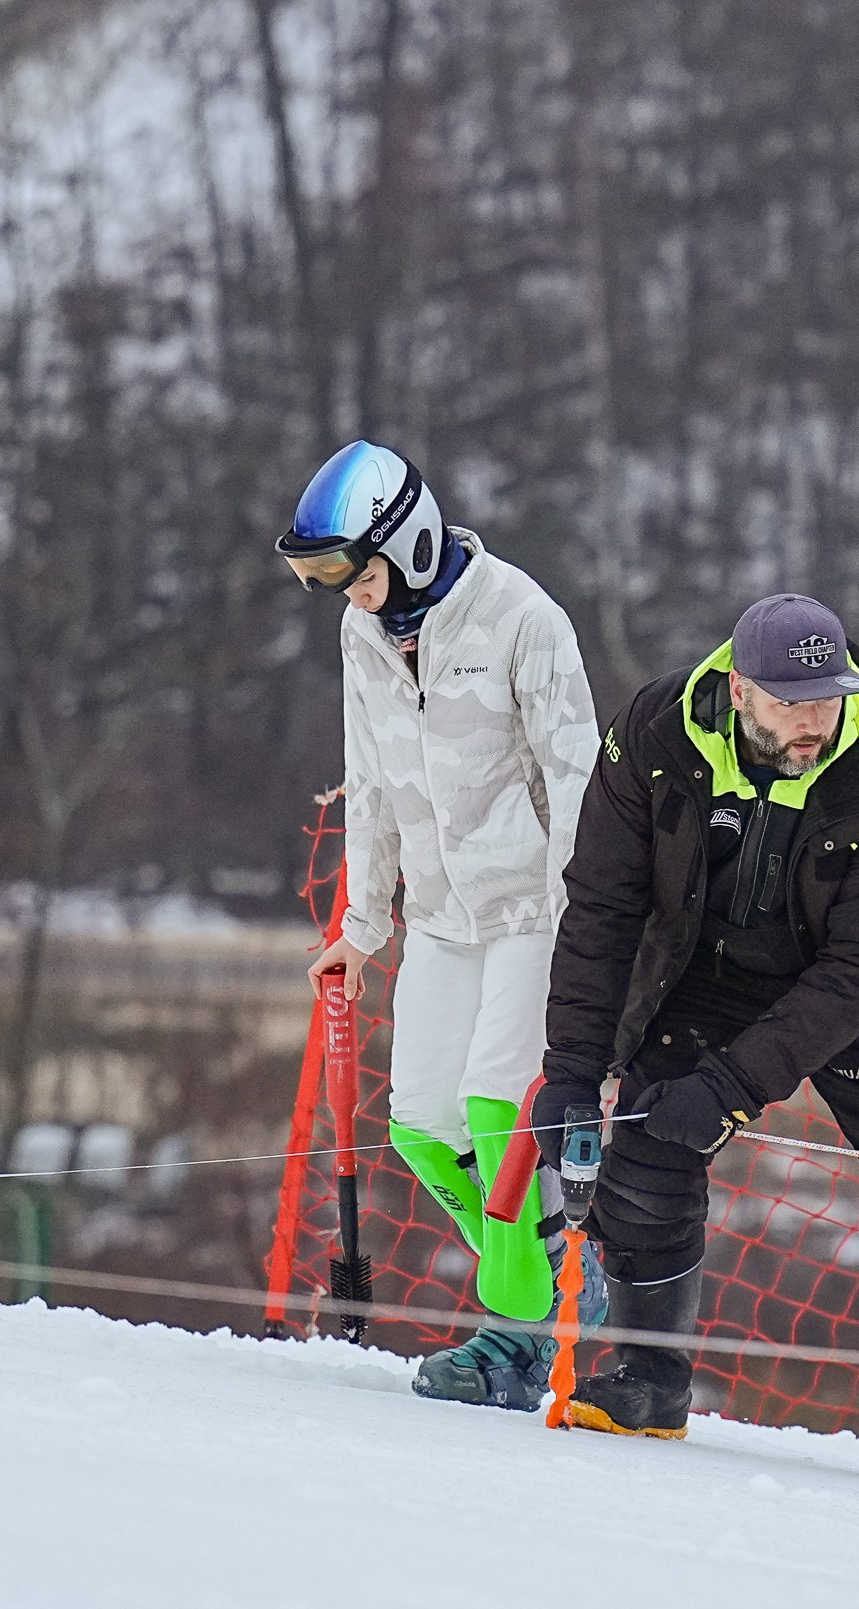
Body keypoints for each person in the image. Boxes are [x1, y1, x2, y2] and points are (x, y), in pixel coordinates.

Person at [529, 592, 859, 1497]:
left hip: (858, 986)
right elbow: (603, 905)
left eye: (827, 697)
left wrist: (733, 1084)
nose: (814, 719)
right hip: (708, 969)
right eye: (791, 701)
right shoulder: (655, 735)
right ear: (737, 689)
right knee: (646, 1152)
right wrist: (570, 1070)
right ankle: (648, 1380)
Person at [280, 439, 603, 1410]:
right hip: (441, 916)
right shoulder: (364, 634)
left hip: (534, 910)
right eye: (327, 580)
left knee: (496, 1111)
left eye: (355, 572)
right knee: (422, 1126)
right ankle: (556, 1279)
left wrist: (586, 930)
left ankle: (518, 1340)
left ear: (408, 541)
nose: (348, 595)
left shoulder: (523, 619)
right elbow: (370, 778)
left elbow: (577, 781)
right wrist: (362, 924)